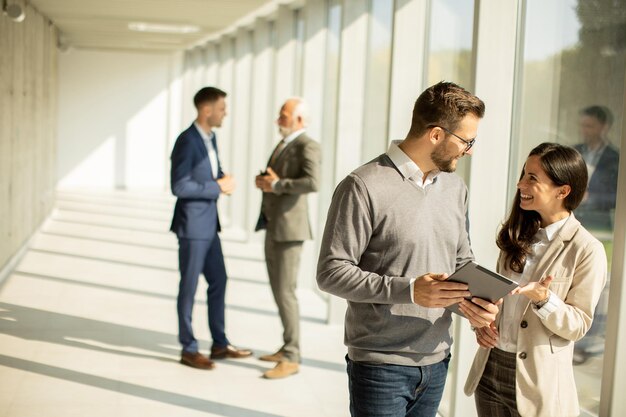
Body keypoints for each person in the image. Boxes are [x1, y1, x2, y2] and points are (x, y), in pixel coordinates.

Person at [316, 81, 499, 417]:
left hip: (438, 360)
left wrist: (475, 309)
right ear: (435, 134)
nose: (469, 150)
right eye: (466, 140)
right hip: (380, 366)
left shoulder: (455, 188)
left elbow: (461, 262)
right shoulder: (363, 186)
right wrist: (411, 291)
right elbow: (331, 273)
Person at [464, 142, 608, 417]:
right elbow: (500, 303)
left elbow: (578, 325)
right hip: (491, 369)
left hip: (538, 385)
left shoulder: (587, 249)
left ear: (563, 191)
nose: (521, 184)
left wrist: (544, 299)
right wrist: (482, 323)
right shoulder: (516, 236)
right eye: (523, 175)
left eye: (532, 178)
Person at [170, 86, 252, 370]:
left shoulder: (210, 137)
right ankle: (188, 348)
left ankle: (219, 343)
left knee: (220, 280)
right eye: (221, 108)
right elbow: (179, 186)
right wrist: (216, 186)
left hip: (209, 225)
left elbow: (209, 173)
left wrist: (222, 178)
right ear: (206, 110)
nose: (225, 112)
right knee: (189, 287)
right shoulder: (186, 141)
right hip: (192, 226)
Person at [254, 97, 321, 379]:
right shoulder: (284, 144)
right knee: (279, 291)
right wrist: (267, 182)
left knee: (286, 292)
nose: (278, 120)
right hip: (274, 225)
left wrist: (277, 184)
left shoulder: (308, 145)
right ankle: (286, 346)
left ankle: (292, 356)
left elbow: (312, 182)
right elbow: (277, 179)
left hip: (289, 230)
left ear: (299, 120)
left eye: (283, 116)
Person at [574, 105, 619, 231]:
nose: (583, 131)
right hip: (571, 220)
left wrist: (590, 197)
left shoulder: (615, 159)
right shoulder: (573, 151)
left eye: (589, 126)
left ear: (604, 127)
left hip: (597, 224)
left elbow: (618, 197)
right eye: (582, 126)